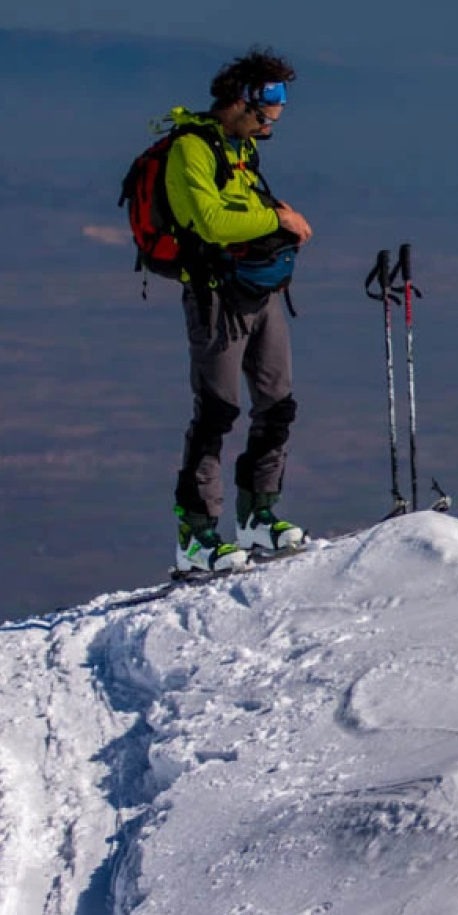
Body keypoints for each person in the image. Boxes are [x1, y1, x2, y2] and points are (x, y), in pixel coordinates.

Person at [165, 47, 316, 574]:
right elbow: (210, 222)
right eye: (265, 112)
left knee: (277, 405)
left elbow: (244, 209)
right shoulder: (191, 149)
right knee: (217, 412)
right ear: (240, 100)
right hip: (214, 297)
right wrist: (277, 221)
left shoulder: (240, 147)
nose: (270, 123)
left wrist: (273, 214)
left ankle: (258, 515)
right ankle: (197, 535)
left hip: (259, 290)